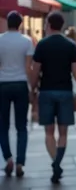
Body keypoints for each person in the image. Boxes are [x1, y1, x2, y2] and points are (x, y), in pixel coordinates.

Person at [30, 11, 76, 183]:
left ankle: (55, 163)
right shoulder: (70, 45)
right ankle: (58, 163)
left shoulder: (42, 45)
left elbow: (35, 70)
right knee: (64, 132)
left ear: (49, 25)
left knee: (49, 132)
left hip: (46, 91)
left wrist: (32, 89)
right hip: (65, 91)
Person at [0, 11, 34, 177]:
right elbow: (29, 68)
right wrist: (32, 87)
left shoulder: (0, 40)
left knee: (3, 125)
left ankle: (8, 159)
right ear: (20, 24)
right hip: (21, 84)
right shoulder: (26, 41)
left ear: (7, 23)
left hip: (3, 84)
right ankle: (21, 162)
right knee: (22, 126)